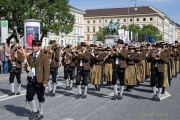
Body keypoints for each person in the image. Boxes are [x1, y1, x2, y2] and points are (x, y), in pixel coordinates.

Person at [25, 40, 50, 120]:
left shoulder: (44, 56)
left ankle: (41, 112)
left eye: (35, 46)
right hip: (31, 79)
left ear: (39, 47)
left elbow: (47, 70)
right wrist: (27, 68)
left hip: (40, 80)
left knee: (40, 97)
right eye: (33, 46)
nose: (33, 47)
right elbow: (26, 67)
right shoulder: (29, 56)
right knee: (29, 96)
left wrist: (45, 81)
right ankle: (35, 110)